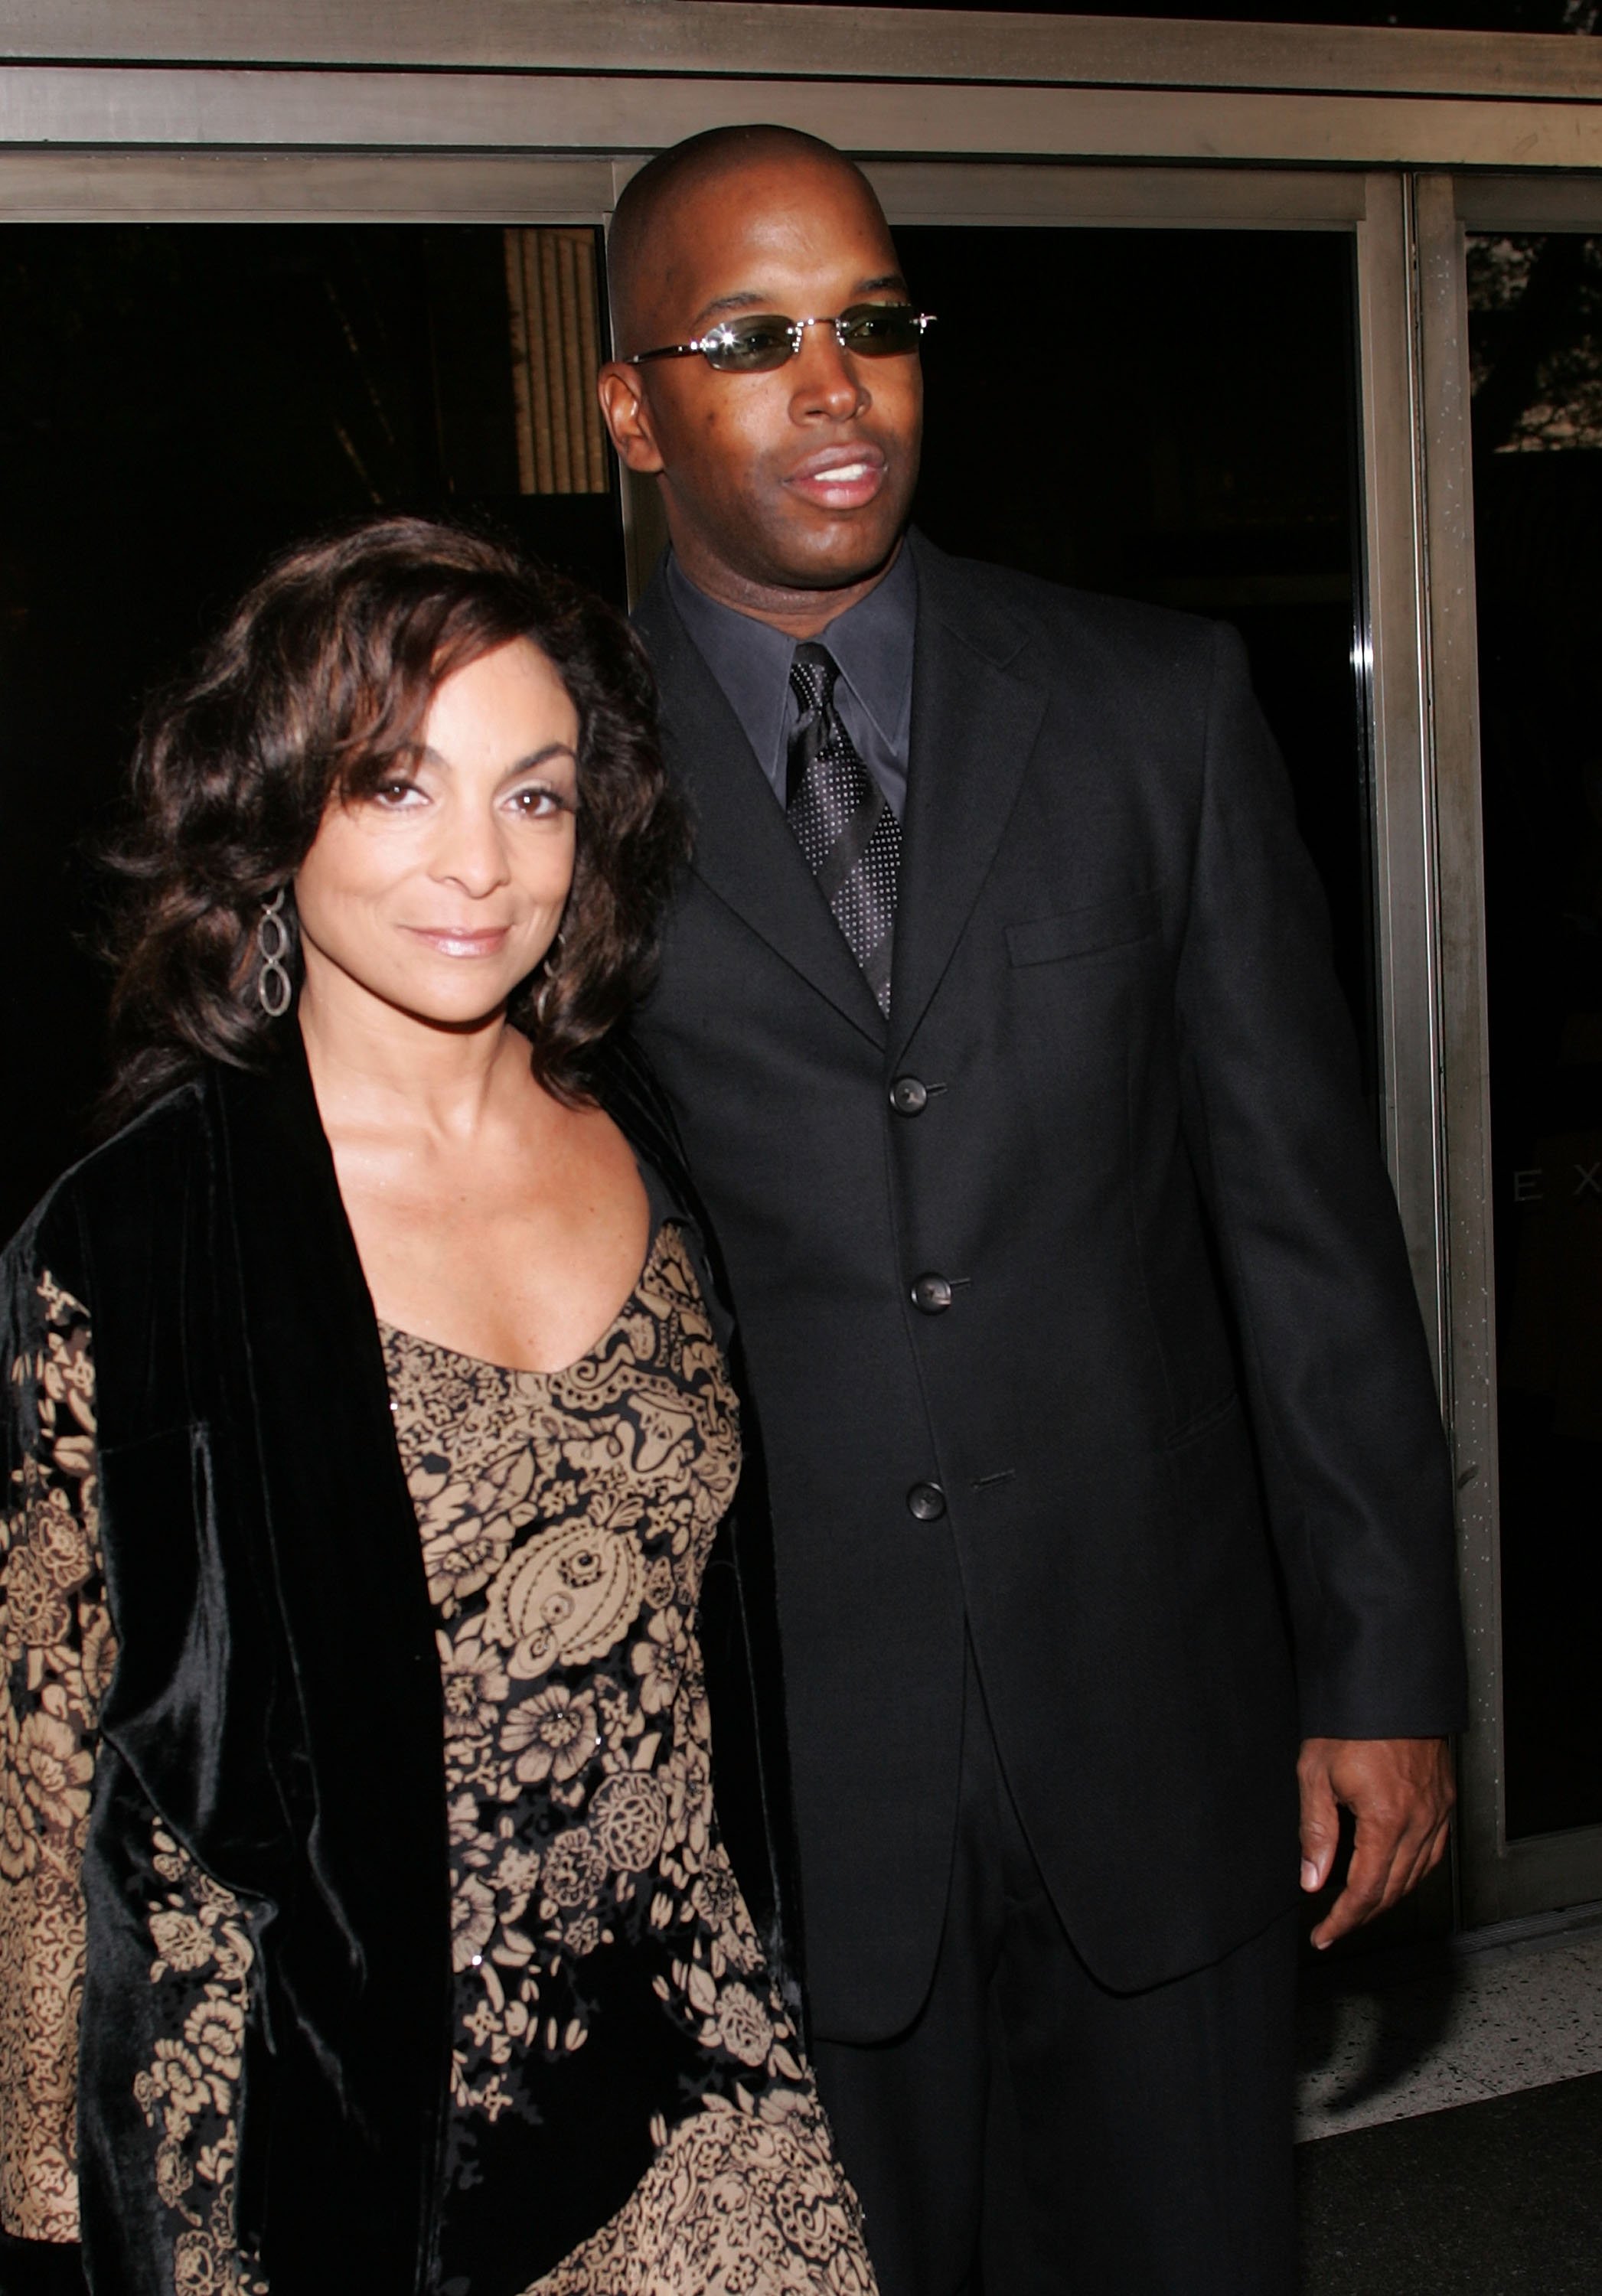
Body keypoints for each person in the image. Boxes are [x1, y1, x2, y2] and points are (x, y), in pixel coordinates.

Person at [597, 124, 1468, 2295]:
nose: (833, 386)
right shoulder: (545, 775)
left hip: (1155, 1734)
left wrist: (1379, 1667)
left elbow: (1300, 1231)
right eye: (752, 339)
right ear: (630, 405)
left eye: (874, 325)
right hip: (771, 1783)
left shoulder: (1145, 707)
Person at [0, 517, 879, 2296]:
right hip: (314, 2147)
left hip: (702, 2098)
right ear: (272, 814)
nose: (479, 864)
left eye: (535, 797)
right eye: (399, 788)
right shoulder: (133, 1239)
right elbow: (28, 1783)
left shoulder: (642, 1138)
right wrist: (41, 2220)